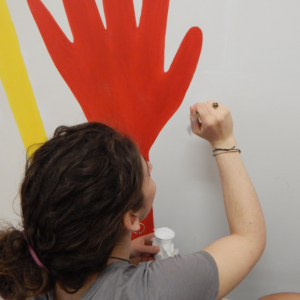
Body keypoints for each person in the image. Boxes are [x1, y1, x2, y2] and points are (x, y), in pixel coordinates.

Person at [0, 100, 266, 300]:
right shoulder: (150, 291)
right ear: (130, 218)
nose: (151, 167)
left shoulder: (34, 278)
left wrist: (114, 254)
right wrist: (224, 141)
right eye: (146, 173)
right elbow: (248, 239)